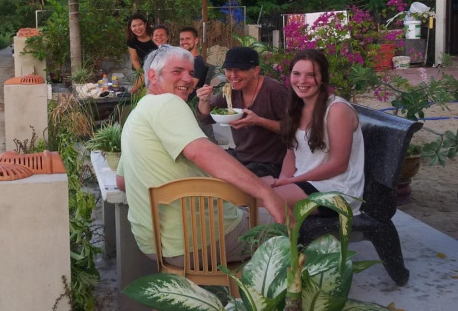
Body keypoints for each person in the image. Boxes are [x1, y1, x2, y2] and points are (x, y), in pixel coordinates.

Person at [115, 45, 287, 264]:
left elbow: (121, 182)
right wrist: (265, 193)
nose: (188, 79)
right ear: (153, 76)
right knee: (292, 224)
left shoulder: (137, 114)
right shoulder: (168, 102)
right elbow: (201, 152)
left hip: (155, 245)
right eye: (177, 71)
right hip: (201, 240)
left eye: (191, 72)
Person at [261, 49, 365, 215]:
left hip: (336, 190)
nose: (302, 80)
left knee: (260, 199)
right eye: (296, 74)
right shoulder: (295, 108)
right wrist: (283, 180)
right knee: (244, 191)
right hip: (304, 182)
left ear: (322, 78)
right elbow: (291, 154)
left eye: (311, 75)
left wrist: (291, 181)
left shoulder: (337, 109)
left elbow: (338, 165)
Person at [196, 46, 288, 178]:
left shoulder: (275, 91)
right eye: (229, 70)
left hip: (269, 163)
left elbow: (292, 129)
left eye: (240, 69)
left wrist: (259, 121)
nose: (233, 76)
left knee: (229, 180)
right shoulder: (232, 90)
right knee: (201, 167)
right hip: (241, 156)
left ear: (256, 70)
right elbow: (206, 118)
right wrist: (204, 100)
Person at [126, 13, 157, 94]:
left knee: (139, 90)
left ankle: (132, 93)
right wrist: (141, 73)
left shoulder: (155, 35)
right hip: (145, 69)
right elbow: (135, 60)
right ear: (130, 28)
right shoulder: (131, 41)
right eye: (134, 26)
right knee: (140, 89)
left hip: (159, 68)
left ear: (145, 24)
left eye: (140, 24)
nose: (137, 28)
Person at [179, 26, 207, 97]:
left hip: (189, 100)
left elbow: (189, 88)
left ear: (196, 41)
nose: (184, 42)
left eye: (188, 39)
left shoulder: (197, 62)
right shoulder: (183, 61)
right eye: (182, 39)